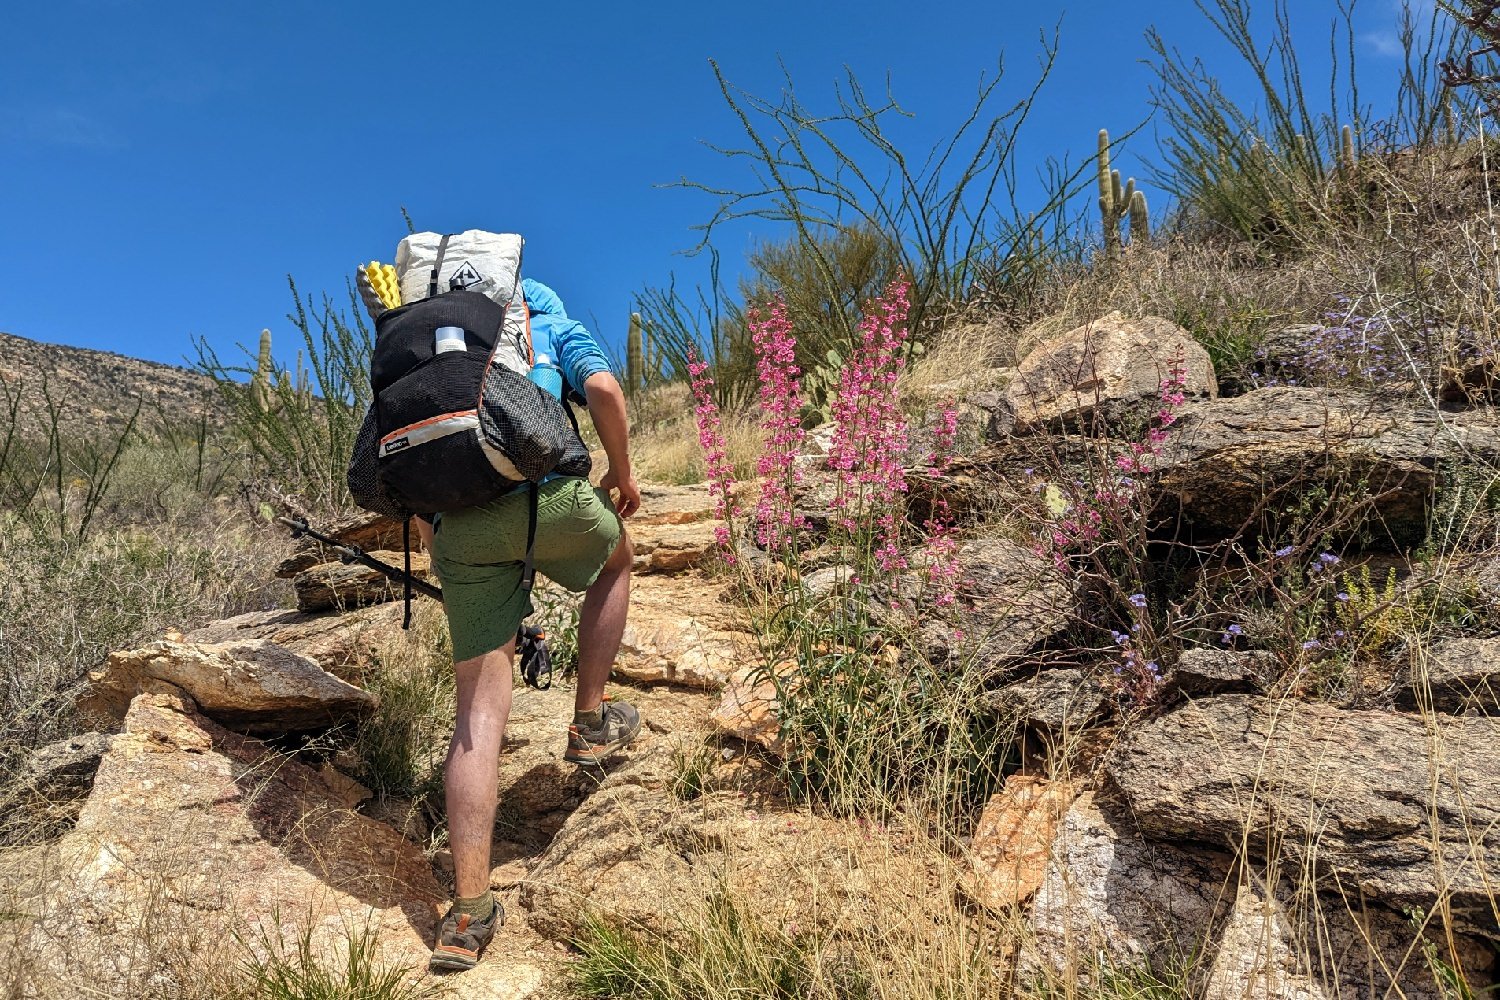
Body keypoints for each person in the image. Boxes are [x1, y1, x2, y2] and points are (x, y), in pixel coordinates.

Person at [422, 278, 642, 973]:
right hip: (555, 499)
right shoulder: (550, 322)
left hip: (462, 523)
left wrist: (441, 536)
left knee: (477, 716)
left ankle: (467, 914)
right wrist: (622, 472)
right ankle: (590, 719)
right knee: (617, 563)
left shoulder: (430, 347)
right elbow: (604, 391)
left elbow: (405, 455)